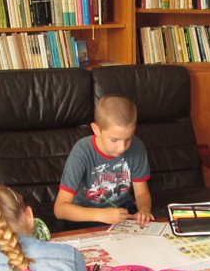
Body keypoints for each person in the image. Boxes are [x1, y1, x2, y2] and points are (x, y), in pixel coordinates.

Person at [54, 94, 154, 228]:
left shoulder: (137, 147)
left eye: (129, 139)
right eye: (114, 140)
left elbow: (142, 193)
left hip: (123, 212)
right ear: (96, 129)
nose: (122, 147)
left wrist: (144, 210)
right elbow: (60, 209)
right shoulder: (81, 151)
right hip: (85, 215)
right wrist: (101, 215)